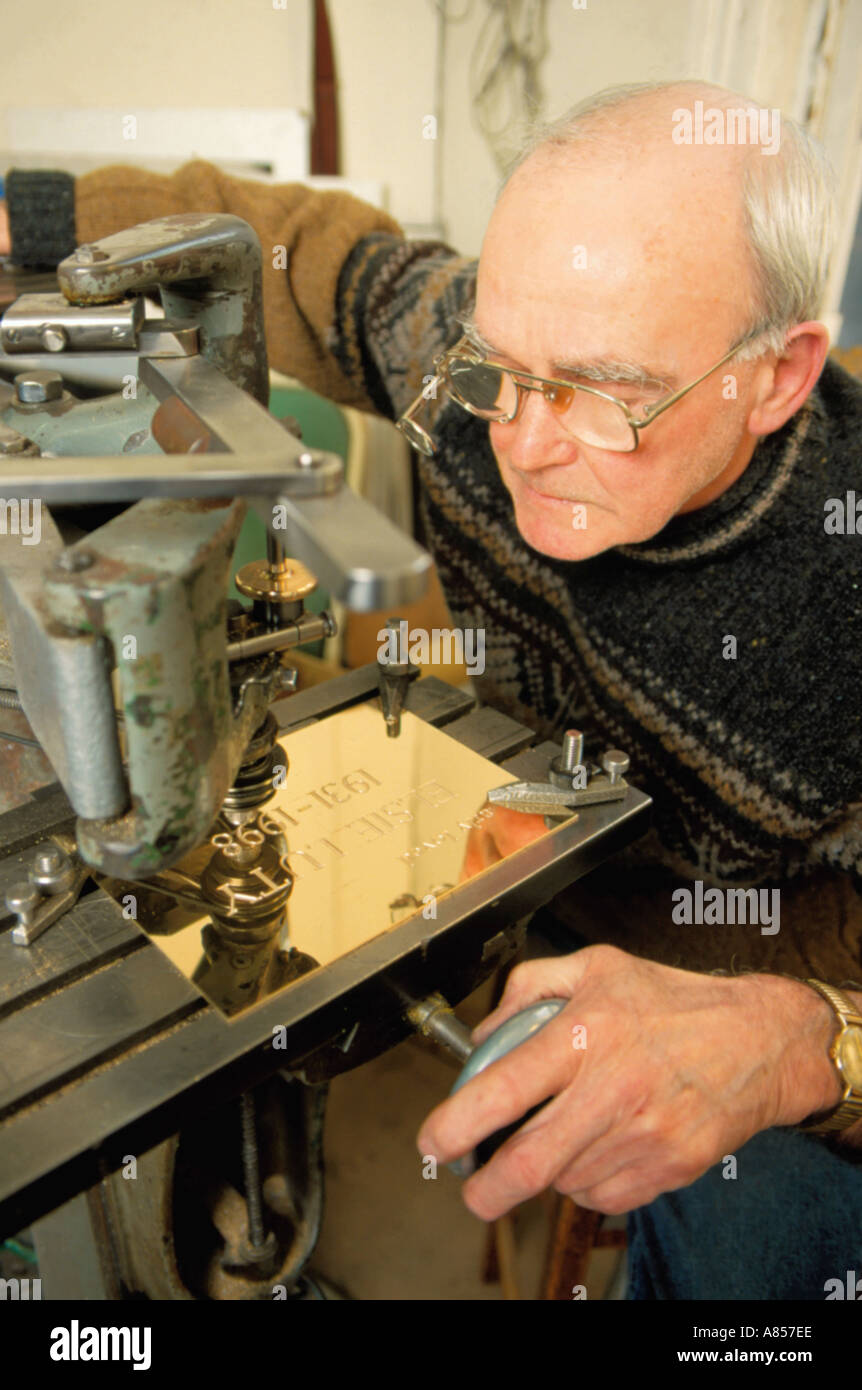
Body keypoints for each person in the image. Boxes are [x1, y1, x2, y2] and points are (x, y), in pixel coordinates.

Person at [2, 79, 860, 1299]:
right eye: (495, 367)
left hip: (739, 970)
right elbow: (278, 243)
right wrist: (27, 221)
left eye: (601, 394)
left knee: (763, 1239)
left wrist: (803, 1039)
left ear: (775, 379)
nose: (517, 437)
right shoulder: (465, 348)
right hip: (525, 844)